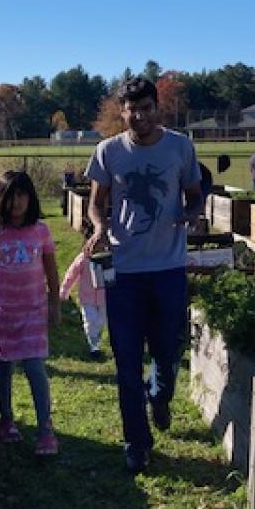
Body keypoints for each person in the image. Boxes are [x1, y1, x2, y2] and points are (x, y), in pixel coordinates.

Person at [85, 77, 203, 473]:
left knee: (167, 353)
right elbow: (95, 204)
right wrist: (99, 228)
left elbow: (195, 192)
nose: (140, 116)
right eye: (132, 109)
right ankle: (137, 441)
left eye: (146, 107)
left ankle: (161, 395)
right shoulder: (108, 152)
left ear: (157, 108)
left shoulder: (180, 147)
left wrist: (193, 212)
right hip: (125, 272)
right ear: (123, 112)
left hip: (168, 268)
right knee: (127, 362)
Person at [0, 170, 61, 456]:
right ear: (1, 200)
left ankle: (45, 429)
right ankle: (7, 419)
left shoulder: (41, 231)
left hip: (33, 311)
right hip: (2, 312)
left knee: (35, 367)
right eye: (10, 197)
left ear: (30, 198)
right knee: (4, 365)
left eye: (22, 195)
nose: (17, 202)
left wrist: (54, 304)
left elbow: (50, 269)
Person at [60, 223, 107, 360]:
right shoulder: (83, 259)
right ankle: (94, 346)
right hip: (87, 298)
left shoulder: (108, 259)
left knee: (101, 321)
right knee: (90, 320)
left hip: (105, 298)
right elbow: (71, 275)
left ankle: (96, 339)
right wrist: (64, 291)